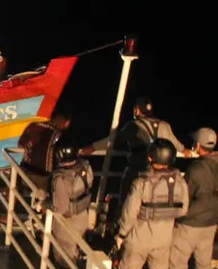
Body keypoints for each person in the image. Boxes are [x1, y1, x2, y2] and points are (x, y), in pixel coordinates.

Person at [82, 97, 193, 231]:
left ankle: (121, 228)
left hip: (138, 170)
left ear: (137, 110)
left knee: (127, 198)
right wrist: (185, 150)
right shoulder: (165, 125)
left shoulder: (133, 125)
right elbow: (176, 145)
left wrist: (93, 147)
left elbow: (112, 141)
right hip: (161, 172)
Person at [113, 139, 190, 269]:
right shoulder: (179, 182)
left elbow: (129, 213)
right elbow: (183, 210)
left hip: (139, 238)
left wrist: (121, 234)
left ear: (150, 158)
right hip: (163, 239)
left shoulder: (142, 182)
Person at [167, 128, 218, 269]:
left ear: (198, 146)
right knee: (203, 264)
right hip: (211, 223)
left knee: (178, 263)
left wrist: (178, 218)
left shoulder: (196, 169)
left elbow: (184, 198)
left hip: (190, 224)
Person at [49, 137, 93, 269]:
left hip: (67, 224)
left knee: (64, 258)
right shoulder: (85, 167)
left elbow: (60, 207)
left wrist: (46, 206)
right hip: (83, 217)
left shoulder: (60, 178)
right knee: (77, 253)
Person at [17, 111, 72, 193]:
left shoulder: (33, 125)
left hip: (25, 169)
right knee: (42, 199)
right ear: (66, 122)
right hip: (42, 175)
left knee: (15, 190)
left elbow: (20, 144)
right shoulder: (58, 134)